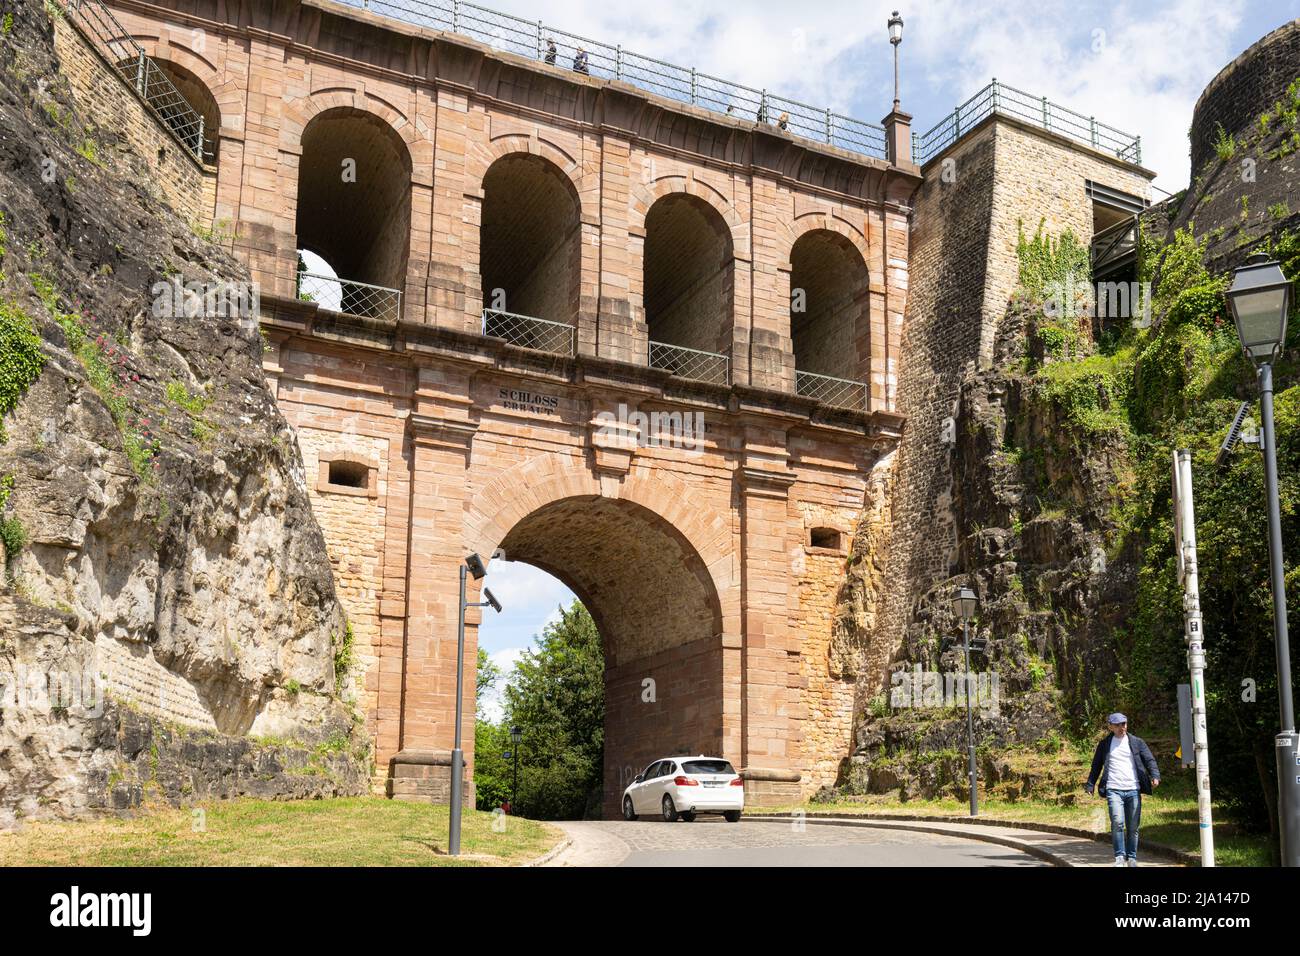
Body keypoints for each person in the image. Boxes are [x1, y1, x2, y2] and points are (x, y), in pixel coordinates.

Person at [1084, 713, 1160, 867]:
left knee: (1133, 826)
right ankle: (1119, 857)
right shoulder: (1105, 744)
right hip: (1114, 789)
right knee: (1118, 822)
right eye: (1118, 725)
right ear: (1110, 727)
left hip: (1133, 789)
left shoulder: (1137, 742)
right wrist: (1090, 783)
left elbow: (1149, 760)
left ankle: (1131, 858)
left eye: (1124, 724)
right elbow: (1096, 765)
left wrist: (1155, 776)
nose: (1122, 727)